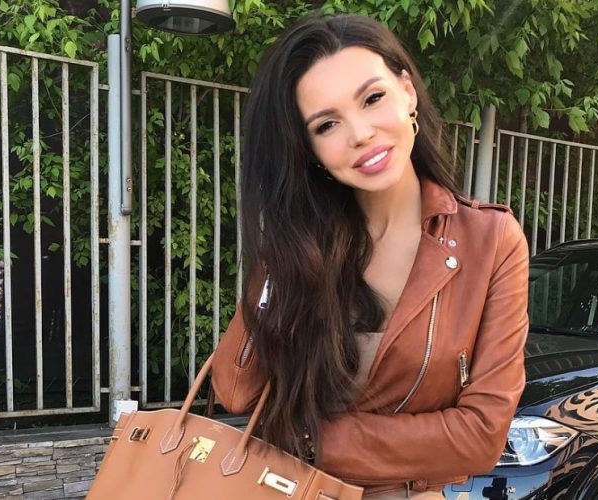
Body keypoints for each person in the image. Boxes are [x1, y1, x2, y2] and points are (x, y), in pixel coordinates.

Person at [211, 13, 529, 499]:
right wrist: (282, 248)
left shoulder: (490, 241)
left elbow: (481, 435)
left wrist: (310, 440)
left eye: (372, 98)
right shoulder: (303, 247)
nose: (359, 133)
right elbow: (236, 389)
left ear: (407, 92)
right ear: (310, 150)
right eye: (327, 124)